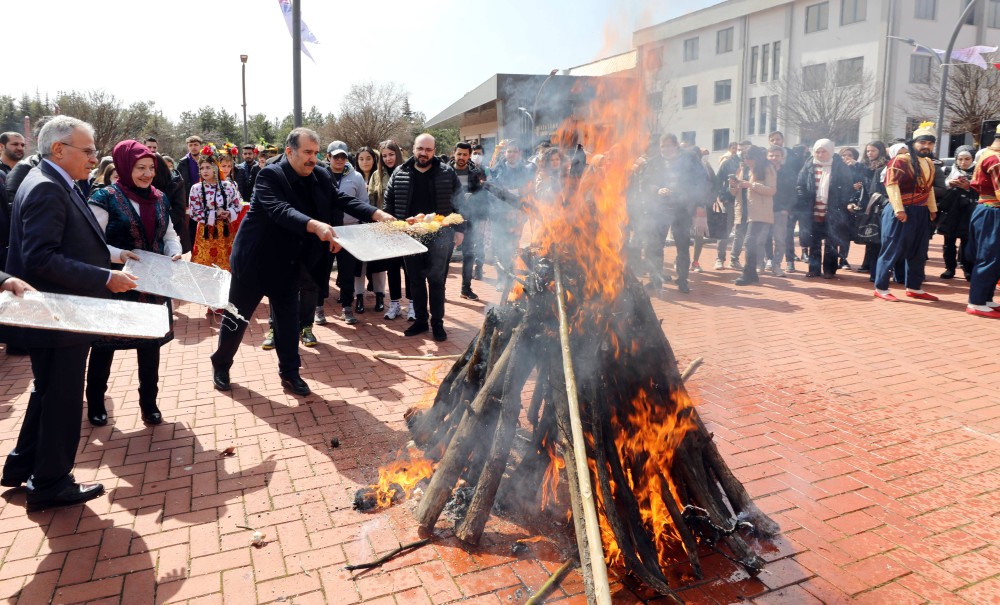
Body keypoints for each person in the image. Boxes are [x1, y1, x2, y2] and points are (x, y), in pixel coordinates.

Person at [2, 116, 138, 511]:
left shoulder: (53, 179)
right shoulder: (46, 186)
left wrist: (109, 260)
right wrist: (104, 278)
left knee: (46, 393)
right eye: (89, 150)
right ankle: (50, 483)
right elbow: (40, 258)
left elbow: (70, 241)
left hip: (58, 313)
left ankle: (21, 466)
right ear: (59, 149)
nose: (95, 158)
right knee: (61, 399)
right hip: (61, 314)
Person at [210, 128, 391, 395]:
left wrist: (378, 214)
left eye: (316, 153)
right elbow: (280, 210)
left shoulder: (320, 174)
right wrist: (316, 225)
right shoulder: (270, 175)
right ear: (289, 152)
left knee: (287, 320)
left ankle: (290, 373)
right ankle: (222, 363)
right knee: (237, 318)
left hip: (288, 262)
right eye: (307, 152)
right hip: (254, 262)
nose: (313, 159)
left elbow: (340, 199)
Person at [85, 141, 183, 426]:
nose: (147, 174)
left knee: (150, 346)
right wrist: (118, 254)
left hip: (152, 285)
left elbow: (169, 234)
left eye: (151, 168)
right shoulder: (104, 198)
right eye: (140, 168)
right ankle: (95, 403)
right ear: (124, 167)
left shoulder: (159, 197)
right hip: (116, 283)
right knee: (104, 346)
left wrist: (173, 251)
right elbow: (91, 243)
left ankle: (149, 404)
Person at [383, 133, 464, 341]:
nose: (424, 153)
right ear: (413, 150)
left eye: (428, 150)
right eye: (421, 149)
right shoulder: (400, 172)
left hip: (441, 236)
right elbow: (388, 203)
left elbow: (461, 203)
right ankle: (420, 321)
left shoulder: (447, 172)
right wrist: (395, 227)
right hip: (410, 236)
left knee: (437, 281)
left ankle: (437, 322)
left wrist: (461, 229)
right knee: (415, 281)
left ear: (434, 151)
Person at [873, 122, 939, 301]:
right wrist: (899, 209)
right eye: (923, 142)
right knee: (891, 249)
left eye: (930, 143)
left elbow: (929, 188)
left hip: (921, 211)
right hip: (900, 212)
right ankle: (881, 287)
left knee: (919, 250)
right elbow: (891, 186)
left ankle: (914, 287)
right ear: (914, 143)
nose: (926, 147)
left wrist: (933, 209)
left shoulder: (929, 163)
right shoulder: (900, 160)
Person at [640, 134, 709, 293]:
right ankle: (656, 279)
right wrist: (658, 189)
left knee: (683, 245)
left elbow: (702, 181)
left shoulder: (690, 159)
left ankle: (683, 280)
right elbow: (645, 183)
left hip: (682, 208)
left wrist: (699, 204)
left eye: (669, 146)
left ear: (676, 145)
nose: (666, 149)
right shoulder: (654, 162)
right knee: (655, 245)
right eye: (663, 146)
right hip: (660, 208)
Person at [326, 141, 370, 325]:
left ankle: (346, 307)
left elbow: (362, 203)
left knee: (347, 272)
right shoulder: (319, 175)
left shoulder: (356, 177)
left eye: (343, 156)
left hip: (349, 231)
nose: (339, 159)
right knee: (322, 270)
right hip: (325, 231)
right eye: (336, 156)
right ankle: (318, 307)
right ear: (328, 157)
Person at [796, 139, 853, 278]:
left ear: (831, 151)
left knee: (831, 241)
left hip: (833, 211)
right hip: (813, 210)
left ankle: (829, 270)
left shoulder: (840, 166)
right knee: (814, 240)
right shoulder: (809, 165)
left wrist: (841, 203)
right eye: (818, 152)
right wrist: (804, 200)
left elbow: (848, 187)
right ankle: (813, 269)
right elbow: (800, 185)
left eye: (824, 151)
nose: (820, 155)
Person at [370, 140, 411, 320]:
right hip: (388, 228)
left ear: (398, 154)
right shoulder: (376, 176)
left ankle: (412, 304)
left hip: (407, 227)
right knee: (392, 267)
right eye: (384, 155)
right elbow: (372, 203)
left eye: (391, 154)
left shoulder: (409, 172)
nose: (388, 158)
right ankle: (394, 303)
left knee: (410, 268)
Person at [188, 144, 243, 273]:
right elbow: (194, 212)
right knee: (204, 268)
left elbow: (238, 205)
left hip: (225, 232)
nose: (205, 171)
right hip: (205, 233)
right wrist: (214, 215)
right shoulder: (196, 188)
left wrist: (228, 212)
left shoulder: (228, 186)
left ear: (216, 168)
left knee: (226, 266)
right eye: (202, 168)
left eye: (208, 167)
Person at [730, 146, 776, 285]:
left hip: (759, 210)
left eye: (750, 158)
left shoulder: (768, 168)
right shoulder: (743, 168)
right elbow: (734, 193)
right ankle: (752, 273)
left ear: (757, 157)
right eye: (745, 158)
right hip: (743, 209)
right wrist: (733, 185)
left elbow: (772, 190)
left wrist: (751, 185)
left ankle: (748, 273)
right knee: (749, 241)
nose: (747, 161)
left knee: (749, 241)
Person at [966, 129, 1000, 317]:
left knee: (993, 258)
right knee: (989, 257)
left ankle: (986, 298)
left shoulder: (989, 154)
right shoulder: (997, 160)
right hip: (993, 210)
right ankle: (977, 302)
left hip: (988, 209)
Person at [352, 146, 388, 316]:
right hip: (358, 226)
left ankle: (380, 295)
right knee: (359, 264)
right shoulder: (352, 177)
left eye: (368, 158)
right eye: (361, 159)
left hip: (377, 226)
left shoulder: (380, 177)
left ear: (374, 160)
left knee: (379, 263)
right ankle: (359, 296)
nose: (365, 162)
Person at [450, 141, 487, 300]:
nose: (461, 157)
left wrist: (482, 220)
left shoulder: (475, 173)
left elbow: (482, 199)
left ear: (469, 155)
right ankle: (440, 292)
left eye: (465, 154)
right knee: (444, 257)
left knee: (469, 254)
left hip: (469, 220)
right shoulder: (445, 172)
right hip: (449, 220)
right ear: (454, 153)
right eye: (459, 154)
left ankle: (466, 288)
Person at [937, 145, 976, 281]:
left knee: (967, 242)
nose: (963, 162)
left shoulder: (978, 171)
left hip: (969, 212)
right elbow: (938, 188)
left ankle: (967, 269)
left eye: (967, 159)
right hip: (950, 212)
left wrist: (969, 186)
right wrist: (949, 183)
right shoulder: (947, 170)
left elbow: (984, 189)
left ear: (973, 159)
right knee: (948, 242)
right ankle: (950, 268)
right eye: (960, 159)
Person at [768, 146, 793, 277]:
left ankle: (776, 265)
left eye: (777, 155)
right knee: (761, 239)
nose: (774, 158)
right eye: (771, 155)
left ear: (782, 157)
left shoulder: (787, 173)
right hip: (764, 211)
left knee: (779, 240)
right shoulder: (762, 172)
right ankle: (761, 264)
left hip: (780, 212)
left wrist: (787, 209)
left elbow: (792, 193)